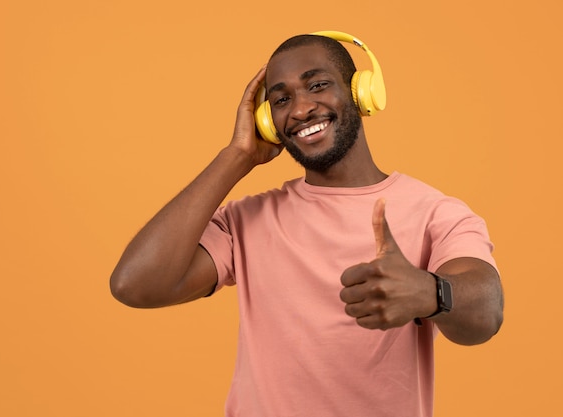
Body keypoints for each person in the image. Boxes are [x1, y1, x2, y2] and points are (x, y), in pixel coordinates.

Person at [110, 32, 504, 417]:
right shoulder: (245, 221)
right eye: (281, 100)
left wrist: (428, 292)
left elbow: (487, 312)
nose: (300, 110)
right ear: (268, 121)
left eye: (317, 85)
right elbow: (136, 284)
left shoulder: (436, 212)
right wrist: (237, 156)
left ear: (361, 91)